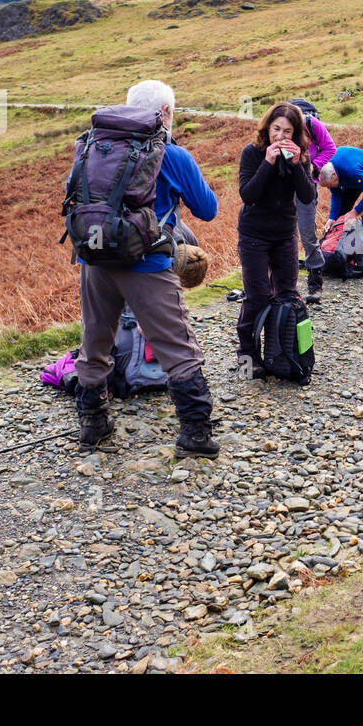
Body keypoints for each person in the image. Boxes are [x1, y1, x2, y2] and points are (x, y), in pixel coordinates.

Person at [71, 79, 220, 457]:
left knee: (95, 340)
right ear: (165, 113)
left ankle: (93, 423)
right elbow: (208, 210)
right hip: (148, 263)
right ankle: (196, 433)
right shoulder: (171, 154)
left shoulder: (93, 146)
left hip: (94, 258)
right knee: (176, 345)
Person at [236, 101, 315, 374]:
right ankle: (247, 355)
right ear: (267, 128)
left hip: (284, 235)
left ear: (296, 134)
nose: (280, 136)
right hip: (254, 234)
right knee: (257, 296)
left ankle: (279, 352)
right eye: (276, 129)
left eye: (287, 131)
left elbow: (308, 197)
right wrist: (268, 162)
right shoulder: (252, 153)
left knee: (287, 295)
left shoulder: (300, 158)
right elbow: (248, 194)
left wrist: (294, 165)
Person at [287, 99, 337, 305]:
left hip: (307, 183)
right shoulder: (281, 126)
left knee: (307, 232)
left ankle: (315, 284)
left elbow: (330, 148)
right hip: (283, 185)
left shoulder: (312, 125)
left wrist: (313, 167)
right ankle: (286, 286)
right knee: (285, 233)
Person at [318, 145, 363, 230]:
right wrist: (332, 218)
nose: (328, 188)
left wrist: (355, 211)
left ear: (334, 175)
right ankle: (340, 235)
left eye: (329, 186)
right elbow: (336, 195)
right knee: (341, 215)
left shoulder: (353, 171)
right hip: (348, 178)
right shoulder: (328, 170)